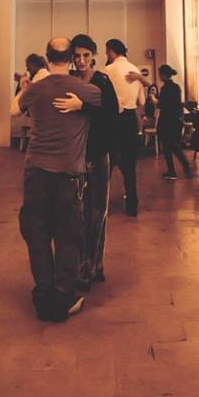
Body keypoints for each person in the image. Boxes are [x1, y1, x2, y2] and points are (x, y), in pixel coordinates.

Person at [17, 36, 101, 322]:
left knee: (37, 235)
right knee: (68, 237)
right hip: (68, 174)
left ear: (47, 56)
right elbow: (107, 109)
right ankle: (63, 296)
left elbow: (14, 110)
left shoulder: (36, 89)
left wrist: (25, 87)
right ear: (71, 58)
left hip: (36, 172)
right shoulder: (87, 91)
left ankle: (43, 295)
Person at [69, 34, 119, 288]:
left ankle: (94, 263)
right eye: (77, 56)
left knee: (98, 211)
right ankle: (80, 263)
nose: (81, 60)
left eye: (85, 55)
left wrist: (83, 107)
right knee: (77, 213)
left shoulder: (102, 81)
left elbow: (111, 115)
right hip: (76, 154)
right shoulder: (69, 81)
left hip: (98, 153)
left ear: (93, 56)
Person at [104, 39, 145, 217]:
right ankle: (132, 205)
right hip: (130, 119)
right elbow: (141, 101)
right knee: (129, 165)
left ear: (111, 51)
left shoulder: (107, 70)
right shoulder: (135, 70)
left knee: (107, 162)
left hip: (112, 119)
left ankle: (101, 203)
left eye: (107, 52)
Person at [156, 64, 191, 181]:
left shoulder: (165, 89)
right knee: (173, 145)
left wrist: (154, 100)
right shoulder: (176, 87)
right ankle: (185, 166)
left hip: (166, 120)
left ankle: (172, 170)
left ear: (163, 75)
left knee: (167, 146)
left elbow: (161, 105)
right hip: (175, 120)